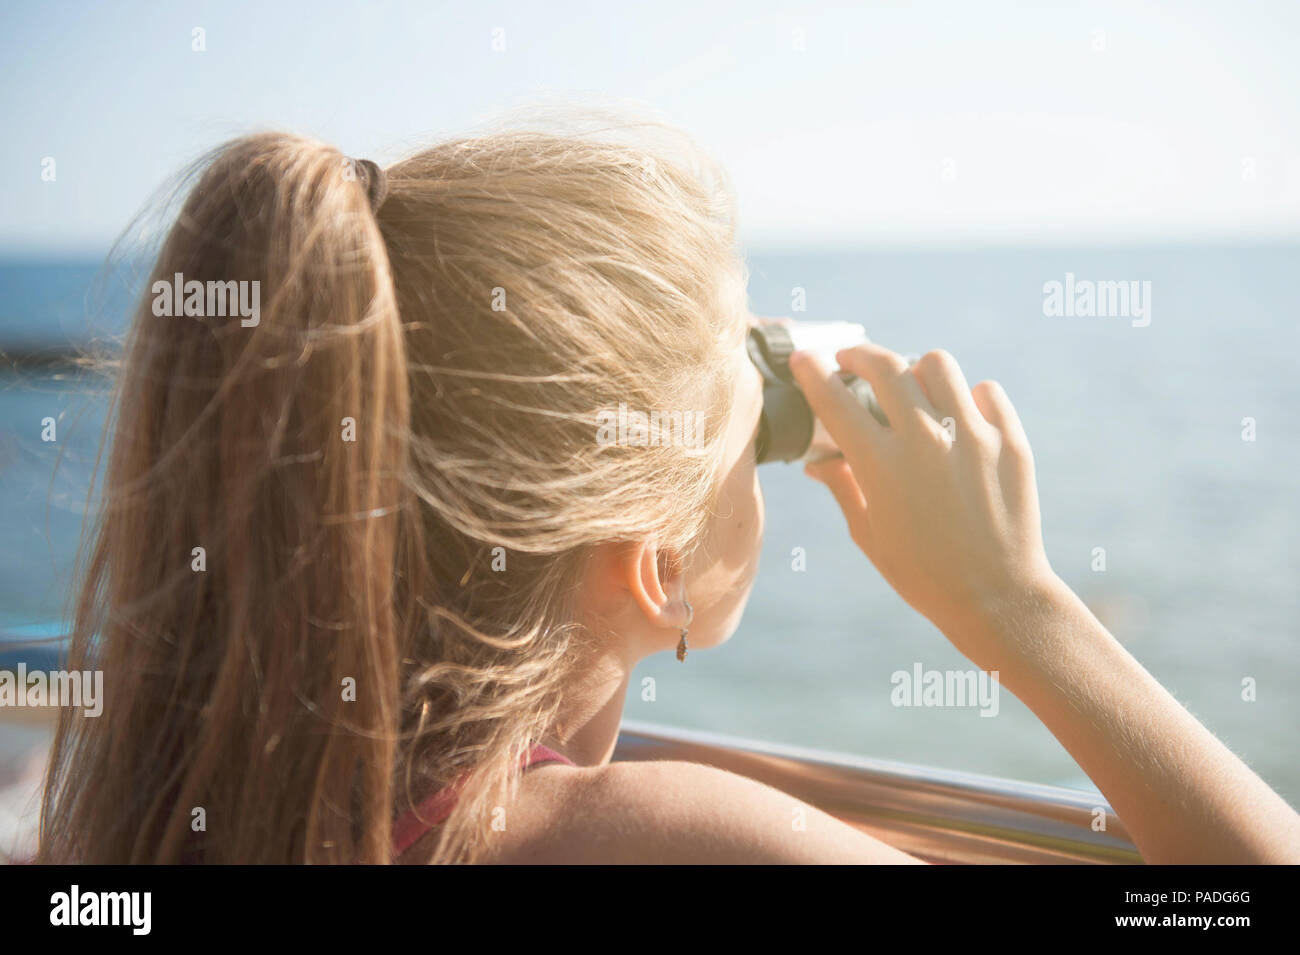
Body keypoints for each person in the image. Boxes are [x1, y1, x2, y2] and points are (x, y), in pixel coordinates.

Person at [37, 129, 1300, 864]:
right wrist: (1014, 605)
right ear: (654, 567)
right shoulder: (669, 839)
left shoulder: (194, 776)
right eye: (755, 430)